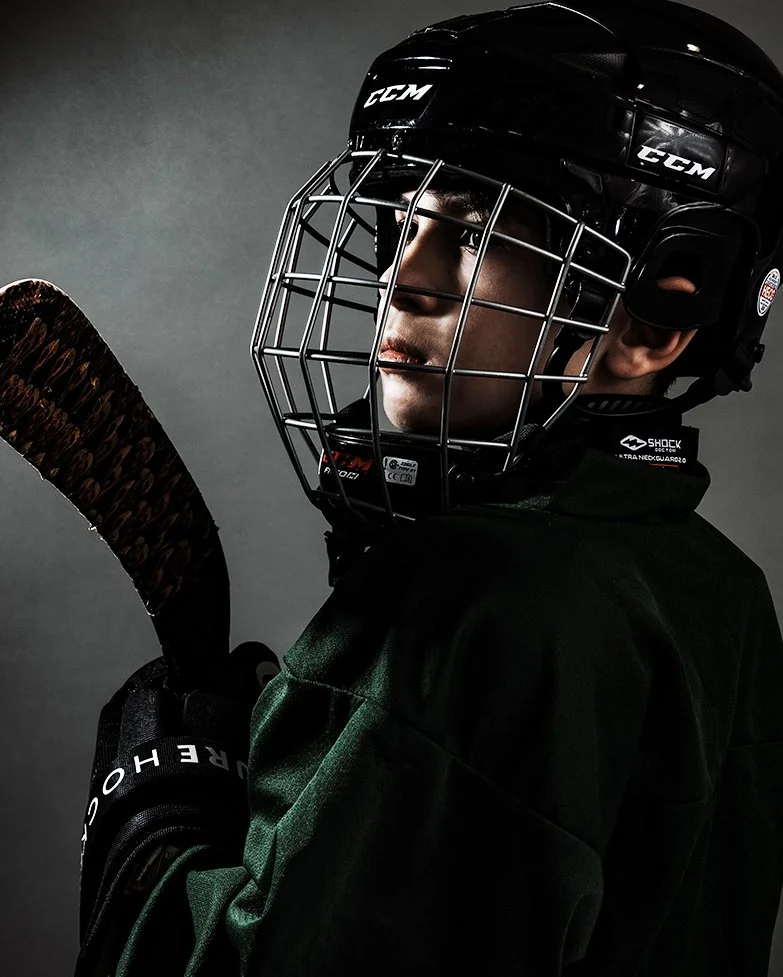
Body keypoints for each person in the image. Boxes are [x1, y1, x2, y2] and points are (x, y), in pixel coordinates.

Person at [75, 1, 783, 974]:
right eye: (408, 224)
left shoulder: (474, 598)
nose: (403, 278)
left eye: (477, 233)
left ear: (654, 323)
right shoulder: (714, 583)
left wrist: (155, 811)